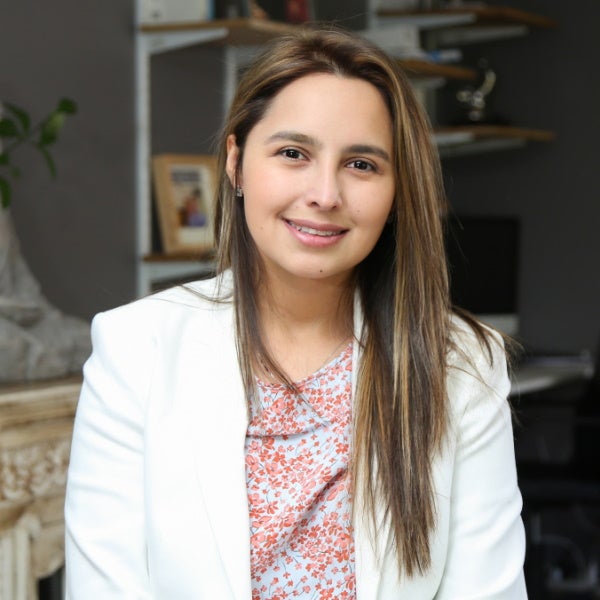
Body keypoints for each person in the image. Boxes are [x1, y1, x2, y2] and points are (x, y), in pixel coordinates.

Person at [65, 27, 527, 599]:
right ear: (236, 163)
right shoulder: (137, 349)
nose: (325, 194)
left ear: (397, 192)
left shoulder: (462, 365)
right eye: (293, 154)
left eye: (361, 164)